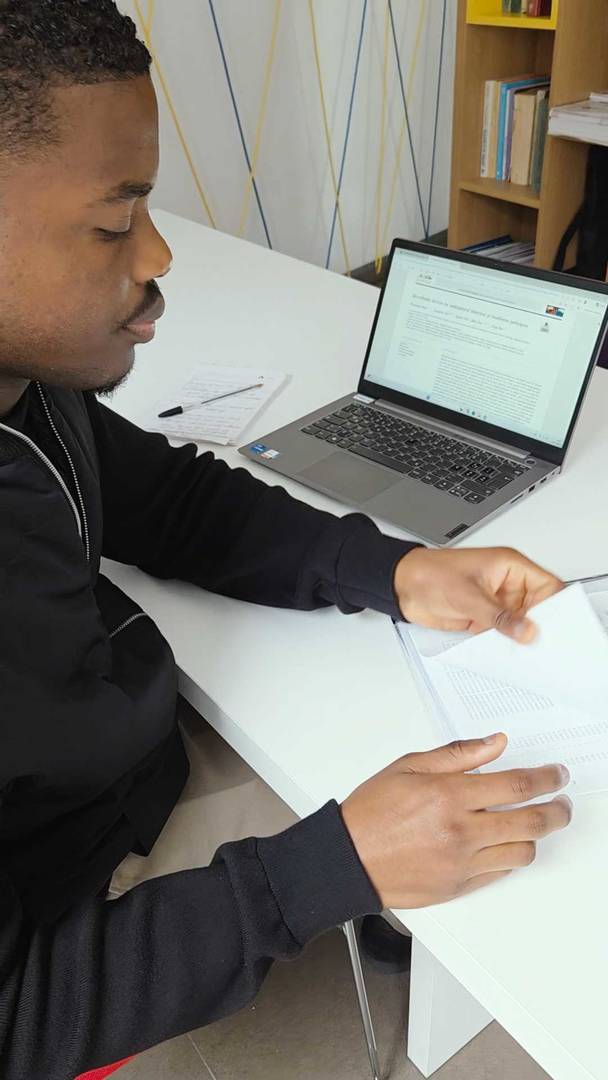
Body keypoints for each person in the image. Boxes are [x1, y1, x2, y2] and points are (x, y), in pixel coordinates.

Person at [0, 4, 572, 1078]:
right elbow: (16, 1018)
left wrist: (395, 569)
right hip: (65, 899)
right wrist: (320, 872)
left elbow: (169, 501)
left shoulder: (27, 382)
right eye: (113, 223)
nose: (159, 255)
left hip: (120, 767)